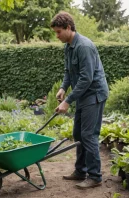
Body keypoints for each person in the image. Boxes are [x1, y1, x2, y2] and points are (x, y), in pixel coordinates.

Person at [50, 11, 109, 189]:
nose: (57, 35)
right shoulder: (69, 46)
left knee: (88, 135)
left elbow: (86, 78)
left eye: (59, 31)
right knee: (78, 134)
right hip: (84, 95)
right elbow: (69, 71)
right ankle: (80, 170)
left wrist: (67, 101)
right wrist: (62, 87)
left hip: (94, 94)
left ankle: (95, 176)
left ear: (69, 28)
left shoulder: (84, 46)